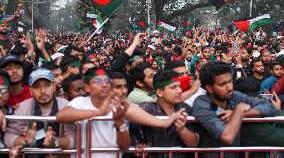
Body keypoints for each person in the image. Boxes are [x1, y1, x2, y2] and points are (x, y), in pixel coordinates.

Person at [56, 67, 185, 157]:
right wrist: (98, 113)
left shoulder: (120, 105)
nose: (104, 84)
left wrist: (120, 125)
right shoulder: (79, 102)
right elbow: (61, 116)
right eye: (98, 81)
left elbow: (159, 123)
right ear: (88, 88)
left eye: (107, 81)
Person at [192, 61, 277, 158]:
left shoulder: (235, 96)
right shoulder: (202, 104)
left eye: (230, 81)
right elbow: (227, 137)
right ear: (209, 88)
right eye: (223, 84)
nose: (229, 87)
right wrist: (239, 110)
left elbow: (269, 107)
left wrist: (241, 114)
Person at [4, 68, 75, 154]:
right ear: (30, 91)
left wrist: (56, 142)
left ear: (53, 86)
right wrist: (24, 141)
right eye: (36, 87)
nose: (43, 91)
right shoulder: (23, 108)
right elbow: (9, 136)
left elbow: (73, 138)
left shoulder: (66, 106)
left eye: (47, 85)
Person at [130, 70, 199, 158]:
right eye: (173, 87)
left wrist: (182, 129)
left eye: (179, 86)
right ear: (159, 92)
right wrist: (139, 143)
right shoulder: (146, 109)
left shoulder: (185, 109)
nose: (179, 91)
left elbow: (193, 143)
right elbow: (131, 125)